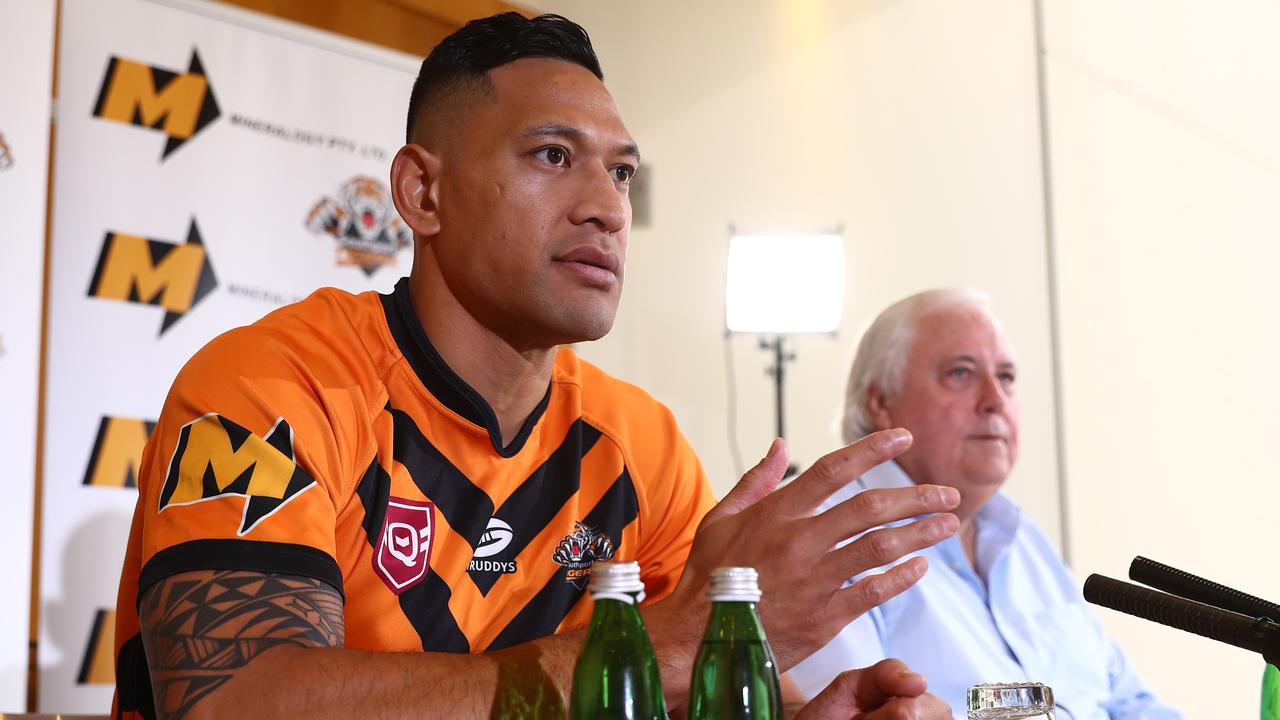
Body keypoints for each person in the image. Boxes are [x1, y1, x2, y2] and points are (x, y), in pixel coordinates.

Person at [110, 13, 960, 720]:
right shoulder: (270, 386)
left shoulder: (642, 444)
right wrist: (648, 647)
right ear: (421, 193)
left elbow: (685, 681)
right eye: (553, 156)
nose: (607, 207)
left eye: (621, 172)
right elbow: (232, 701)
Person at [789, 289, 1181, 719]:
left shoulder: (1025, 539)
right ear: (880, 402)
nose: (995, 397)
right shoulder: (833, 541)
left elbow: (1131, 704)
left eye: (1007, 377)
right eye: (961, 373)